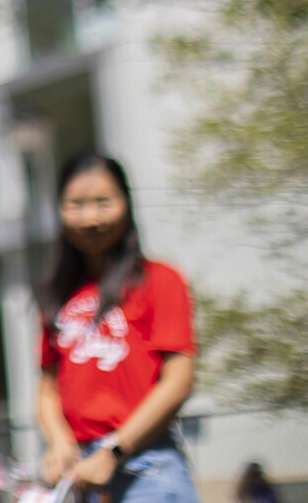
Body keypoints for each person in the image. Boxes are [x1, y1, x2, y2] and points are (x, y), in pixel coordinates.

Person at [36, 153, 197, 503]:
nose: (91, 218)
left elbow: (179, 381)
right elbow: (48, 388)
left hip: (147, 467)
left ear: (126, 204)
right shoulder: (56, 294)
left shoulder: (161, 280)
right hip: (82, 473)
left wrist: (114, 452)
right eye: (76, 204)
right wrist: (58, 441)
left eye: (103, 202)